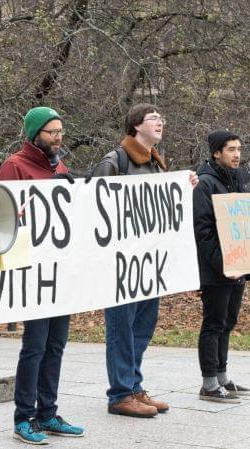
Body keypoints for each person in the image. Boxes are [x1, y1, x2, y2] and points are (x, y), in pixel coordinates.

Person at [93, 103, 198, 418]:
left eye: (162, 118)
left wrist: (183, 188)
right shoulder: (115, 161)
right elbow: (95, 204)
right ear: (136, 126)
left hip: (149, 263)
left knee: (142, 326)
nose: (160, 123)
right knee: (121, 329)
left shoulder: (157, 165)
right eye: (154, 118)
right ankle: (120, 394)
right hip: (122, 264)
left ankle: (134, 386)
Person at [0, 107, 83, 445]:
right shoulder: (14, 166)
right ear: (34, 135)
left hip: (59, 271)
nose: (58, 137)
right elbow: (3, 218)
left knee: (56, 344)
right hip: (33, 272)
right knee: (34, 346)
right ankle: (24, 417)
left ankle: (48, 413)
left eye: (61, 131)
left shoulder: (59, 166)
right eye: (51, 132)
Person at [193, 129, 250, 403]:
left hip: (238, 264)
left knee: (228, 322)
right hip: (217, 269)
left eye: (239, 148)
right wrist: (224, 264)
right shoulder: (205, 183)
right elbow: (203, 231)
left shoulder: (241, 179)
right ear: (217, 153)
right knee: (214, 323)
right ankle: (208, 383)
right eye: (231, 149)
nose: (237, 154)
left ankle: (223, 376)